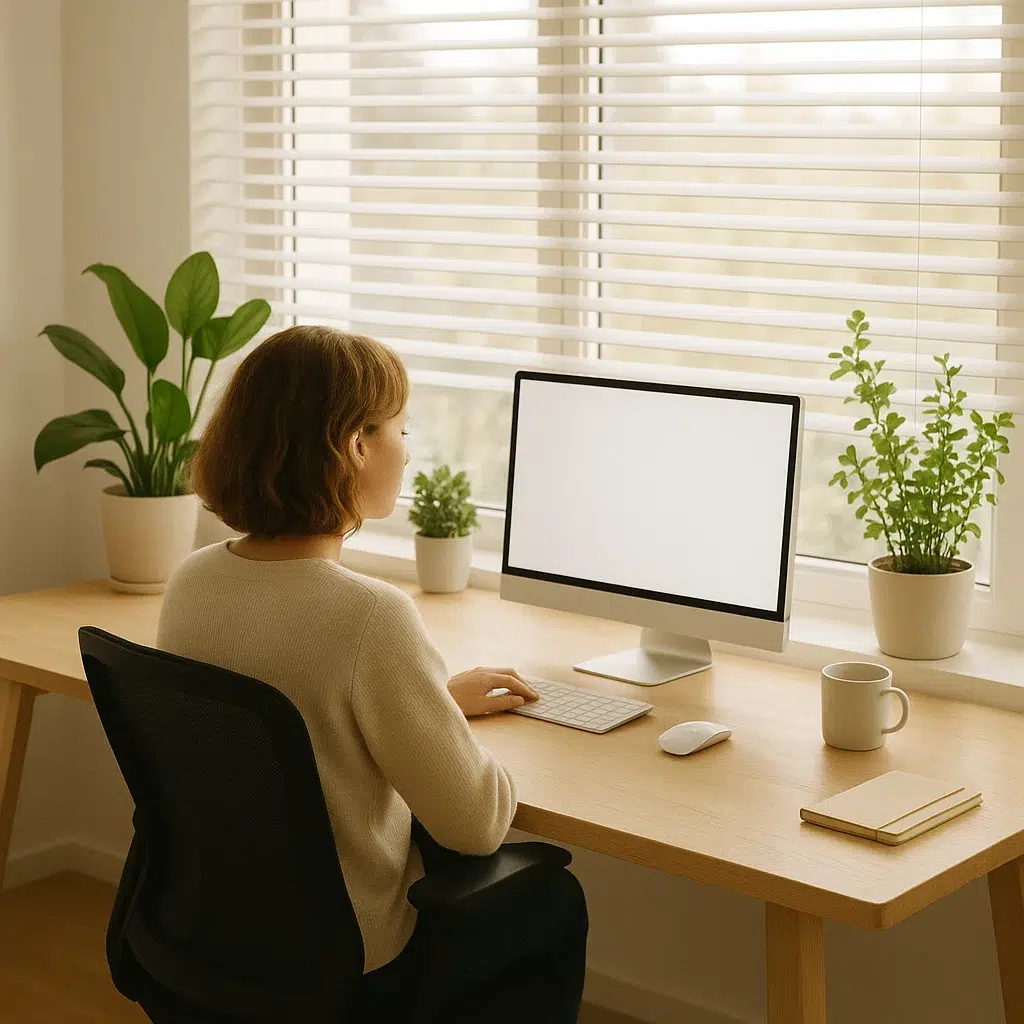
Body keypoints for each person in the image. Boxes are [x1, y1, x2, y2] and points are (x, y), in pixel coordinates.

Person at [156, 324, 588, 1021]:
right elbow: (476, 825)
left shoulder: (193, 581)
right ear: (356, 446)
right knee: (550, 899)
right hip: (349, 958)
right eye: (399, 428)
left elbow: (290, 713)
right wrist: (470, 742)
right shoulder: (369, 617)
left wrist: (429, 704)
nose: (407, 450)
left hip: (224, 934)